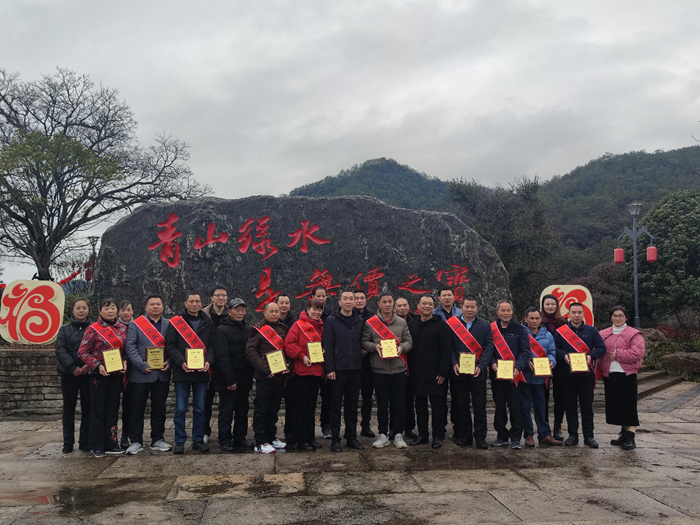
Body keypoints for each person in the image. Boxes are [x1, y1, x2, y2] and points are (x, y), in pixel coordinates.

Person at [77, 298, 128, 457]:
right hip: (98, 375)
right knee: (98, 411)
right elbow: (82, 352)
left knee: (112, 410)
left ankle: (111, 443)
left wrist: (125, 361)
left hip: (116, 374)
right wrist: (97, 365)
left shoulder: (122, 329)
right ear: (100, 311)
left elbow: (126, 350)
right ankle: (97, 445)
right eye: (106, 308)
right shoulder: (93, 329)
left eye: (113, 308)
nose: (110, 311)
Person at [165, 293, 215, 455]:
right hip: (182, 372)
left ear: (201, 303)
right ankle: (179, 441)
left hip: (201, 372)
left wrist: (209, 361)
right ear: (185, 303)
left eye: (197, 301)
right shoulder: (176, 322)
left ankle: (198, 440)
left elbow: (212, 346)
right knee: (180, 408)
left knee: (200, 409)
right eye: (191, 301)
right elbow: (170, 346)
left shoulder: (208, 322)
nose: (194, 304)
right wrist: (181, 362)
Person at [362, 292, 413, 449]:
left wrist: (401, 348)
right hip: (379, 369)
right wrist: (374, 347)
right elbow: (364, 342)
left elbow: (409, 342)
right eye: (384, 302)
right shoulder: (371, 323)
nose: (387, 304)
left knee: (399, 404)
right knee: (382, 404)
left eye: (390, 301)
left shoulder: (402, 322)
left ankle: (398, 434)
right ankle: (383, 434)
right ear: (379, 304)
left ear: (393, 304)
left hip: (398, 368)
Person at [123, 295, 172, 454]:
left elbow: (173, 346)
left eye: (158, 304)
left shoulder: (168, 324)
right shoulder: (136, 324)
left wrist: (169, 362)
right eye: (152, 304)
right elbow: (130, 347)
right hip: (140, 374)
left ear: (162, 306)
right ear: (146, 307)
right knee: (137, 409)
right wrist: (141, 365)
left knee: (159, 409)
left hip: (161, 374)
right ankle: (136, 440)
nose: (155, 307)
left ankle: (157, 439)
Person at [554, 302, 606, 448]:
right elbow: (554, 349)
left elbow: (601, 348)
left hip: (586, 375)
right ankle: (573, 435)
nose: (577, 315)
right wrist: (563, 355)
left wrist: (591, 356)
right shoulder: (560, 332)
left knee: (587, 407)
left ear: (583, 314)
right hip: (567, 375)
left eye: (579, 312)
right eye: (574, 312)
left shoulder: (591, 331)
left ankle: (589, 436)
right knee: (570, 407)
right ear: (568, 314)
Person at [447, 295, 494, 449]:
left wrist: (481, 365)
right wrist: (454, 363)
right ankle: (465, 435)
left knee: (479, 407)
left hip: (478, 372)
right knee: (461, 406)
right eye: (466, 306)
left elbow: (489, 347)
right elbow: (449, 347)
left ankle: (480, 437)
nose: (469, 309)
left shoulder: (485, 325)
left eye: (472, 307)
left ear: (477, 308)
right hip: (458, 372)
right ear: (461, 307)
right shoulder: (453, 324)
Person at [245, 302, 291, 454]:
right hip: (264, 377)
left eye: (276, 311)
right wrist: (263, 369)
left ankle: (271, 437)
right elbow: (250, 350)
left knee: (274, 409)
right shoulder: (257, 329)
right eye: (271, 311)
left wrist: (288, 365)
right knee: (262, 409)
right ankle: (260, 441)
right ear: (264, 313)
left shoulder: (283, 329)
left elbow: (288, 349)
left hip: (279, 376)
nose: (274, 314)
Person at [324, 290, 366, 453]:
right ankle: (335, 439)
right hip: (338, 370)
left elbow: (362, 341)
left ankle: (351, 437)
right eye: (345, 299)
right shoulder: (331, 320)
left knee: (352, 406)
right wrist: (329, 368)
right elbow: (328, 346)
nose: (348, 301)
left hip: (355, 369)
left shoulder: (359, 320)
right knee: (335, 406)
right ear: (339, 302)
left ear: (354, 302)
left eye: (351, 299)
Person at [407, 295, 451, 448]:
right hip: (417, 373)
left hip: (436, 374)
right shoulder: (412, 324)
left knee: (437, 407)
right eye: (424, 303)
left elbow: (446, 351)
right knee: (420, 406)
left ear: (434, 307)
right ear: (418, 306)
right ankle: (423, 435)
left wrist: (443, 372)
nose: (427, 306)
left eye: (430, 304)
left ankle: (438, 436)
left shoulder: (441, 326)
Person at [599, 306, 645, 450]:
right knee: (617, 406)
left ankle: (631, 436)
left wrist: (617, 355)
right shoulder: (604, 334)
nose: (617, 318)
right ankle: (623, 434)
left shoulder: (634, 334)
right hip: (610, 374)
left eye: (620, 315)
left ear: (626, 317)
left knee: (629, 406)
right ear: (610, 317)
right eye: (615, 315)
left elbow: (637, 352)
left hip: (627, 375)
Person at [213, 298, 254, 452]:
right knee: (226, 411)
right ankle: (224, 439)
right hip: (228, 380)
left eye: (243, 310)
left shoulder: (248, 330)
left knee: (242, 411)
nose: (240, 313)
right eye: (237, 310)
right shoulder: (221, 330)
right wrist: (229, 380)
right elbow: (222, 358)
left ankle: (240, 437)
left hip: (244, 379)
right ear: (229, 311)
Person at [284, 299, 326, 451]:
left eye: (319, 310)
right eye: (314, 309)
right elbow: (289, 345)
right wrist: (301, 356)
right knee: (300, 407)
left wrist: (323, 351)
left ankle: (310, 438)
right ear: (308, 310)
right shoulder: (298, 325)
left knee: (311, 407)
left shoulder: (321, 327)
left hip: (316, 371)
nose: (317, 312)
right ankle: (301, 440)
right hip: (302, 371)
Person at [490, 300, 531, 449]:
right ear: (497, 312)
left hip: (515, 376)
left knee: (515, 407)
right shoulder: (491, 329)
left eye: (508, 310)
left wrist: (518, 368)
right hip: (497, 376)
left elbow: (525, 351)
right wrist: (492, 363)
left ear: (512, 312)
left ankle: (515, 437)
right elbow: (488, 349)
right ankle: (501, 436)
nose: (506, 313)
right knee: (499, 407)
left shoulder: (520, 330)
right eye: (503, 310)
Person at [521, 308, 562, 446]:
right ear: (525, 319)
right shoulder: (521, 333)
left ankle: (544, 434)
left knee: (541, 407)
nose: (534, 321)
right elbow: (517, 351)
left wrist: (551, 362)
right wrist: (527, 362)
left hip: (541, 378)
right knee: (525, 407)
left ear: (541, 319)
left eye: (537, 318)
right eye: (531, 318)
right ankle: (528, 434)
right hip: (524, 376)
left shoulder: (548, 335)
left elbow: (552, 352)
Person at [55, 299, 92, 454]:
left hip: (88, 373)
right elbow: (60, 350)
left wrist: (89, 364)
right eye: (78, 308)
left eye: (84, 308)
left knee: (88, 408)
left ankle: (85, 442)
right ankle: (68, 442)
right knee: (69, 408)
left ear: (88, 310)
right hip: (69, 374)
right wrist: (72, 367)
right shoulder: (64, 329)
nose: (81, 311)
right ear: (73, 310)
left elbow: (97, 348)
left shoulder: (93, 328)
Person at [433, 287, 462, 442]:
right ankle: (441, 427)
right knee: (440, 397)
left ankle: (458, 428)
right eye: (443, 295)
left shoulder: (461, 314)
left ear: (454, 297)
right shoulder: (434, 314)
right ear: (439, 298)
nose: (447, 298)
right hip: (441, 361)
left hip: (459, 361)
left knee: (458, 397)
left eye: (449, 295)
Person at [201, 284, 228, 444]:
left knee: (225, 402)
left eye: (224, 295)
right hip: (207, 364)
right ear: (212, 298)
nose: (221, 298)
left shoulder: (231, 314)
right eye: (218, 295)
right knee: (205, 401)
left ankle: (224, 434)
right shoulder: (202, 315)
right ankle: (204, 431)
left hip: (224, 364)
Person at [541, 294, 567, 441]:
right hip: (541, 365)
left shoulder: (564, 323)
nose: (550, 307)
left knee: (560, 397)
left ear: (557, 306)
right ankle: (544, 428)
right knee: (542, 397)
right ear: (543, 306)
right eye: (547, 304)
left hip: (560, 365)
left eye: (553, 304)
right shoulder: (537, 321)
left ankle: (557, 427)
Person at [354, 290, 376, 438]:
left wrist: (368, 348)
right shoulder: (347, 316)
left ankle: (366, 426)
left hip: (369, 363)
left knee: (367, 398)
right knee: (352, 398)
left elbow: (377, 337)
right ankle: (351, 428)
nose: (359, 301)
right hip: (352, 363)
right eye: (356, 298)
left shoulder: (373, 317)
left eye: (362, 298)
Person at [395, 297, 418, 439]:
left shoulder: (415, 322)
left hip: (412, 366)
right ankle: (394, 428)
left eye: (404, 305)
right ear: (395, 308)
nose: (402, 308)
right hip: (395, 365)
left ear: (409, 307)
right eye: (399, 306)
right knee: (395, 400)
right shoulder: (389, 323)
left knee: (409, 399)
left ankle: (409, 428)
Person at [276, 294, 296, 442]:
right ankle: (270, 435)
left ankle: (290, 433)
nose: (284, 305)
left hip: (291, 369)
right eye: (281, 302)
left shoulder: (295, 322)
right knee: (273, 405)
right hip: (274, 369)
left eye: (287, 303)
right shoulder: (269, 323)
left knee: (291, 404)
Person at [118, 300, 134, 449]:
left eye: (128, 310)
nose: (126, 313)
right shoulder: (113, 327)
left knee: (130, 406)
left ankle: (127, 435)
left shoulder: (138, 326)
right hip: (115, 370)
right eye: (123, 310)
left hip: (133, 371)